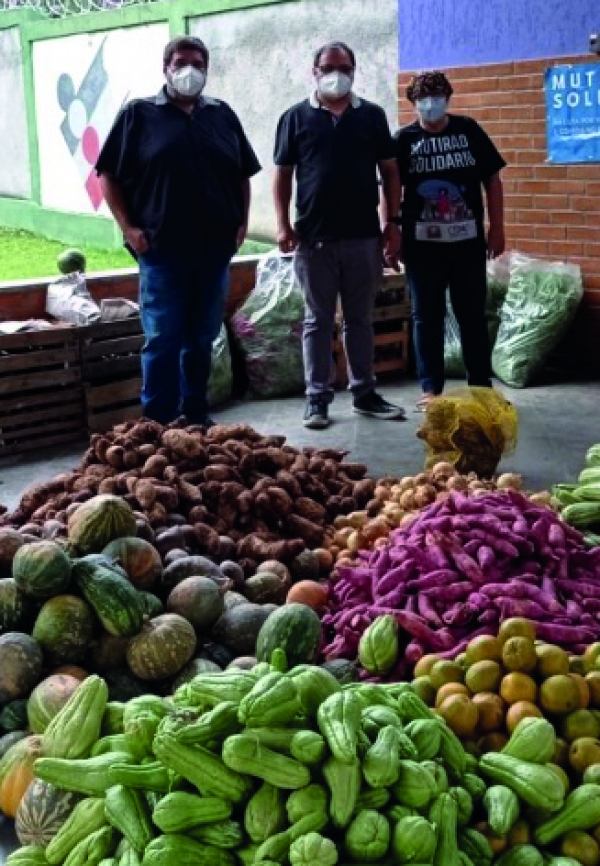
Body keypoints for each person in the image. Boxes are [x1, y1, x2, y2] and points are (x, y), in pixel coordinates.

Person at [96, 35, 261, 426]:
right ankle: (157, 423)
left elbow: (242, 174)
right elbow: (108, 175)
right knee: (163, 340)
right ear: (165, 68)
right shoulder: (139, 115)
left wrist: (242, 221)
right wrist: (129, 228)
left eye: (198, 64)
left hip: (214, 250)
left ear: (207, 70)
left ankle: (196, 415)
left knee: (201, 339)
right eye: (181, 62)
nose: (190, 71)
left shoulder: (222, 115)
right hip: (162, 249)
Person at [273, 41, 406, 430]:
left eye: (344, 67)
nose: (336, 74)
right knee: (317, 320)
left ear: (354, 70)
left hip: (363, 237)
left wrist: (391, 223)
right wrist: (282, 224)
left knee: (360, 319)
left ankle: (365, 392)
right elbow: (282, 176)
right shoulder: (295, 118)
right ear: (314, 71)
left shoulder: (372, 117)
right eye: (328, 67)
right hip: (313, 238)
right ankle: (317, 399)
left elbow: (391, 173)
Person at [393, 71, 506, 410]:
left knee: (471, 313)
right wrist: (393, 229)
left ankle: (481, 387)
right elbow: (390, 186)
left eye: (438, 96)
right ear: (413, 103)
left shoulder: (468, 131)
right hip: (421, 246)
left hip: (467, 244)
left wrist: (497, 226)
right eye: (423, 98)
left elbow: (493, 179)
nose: (431, 103)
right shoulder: (403, 140)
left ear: (448, 98)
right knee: (427, 316)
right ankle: (431, 389)